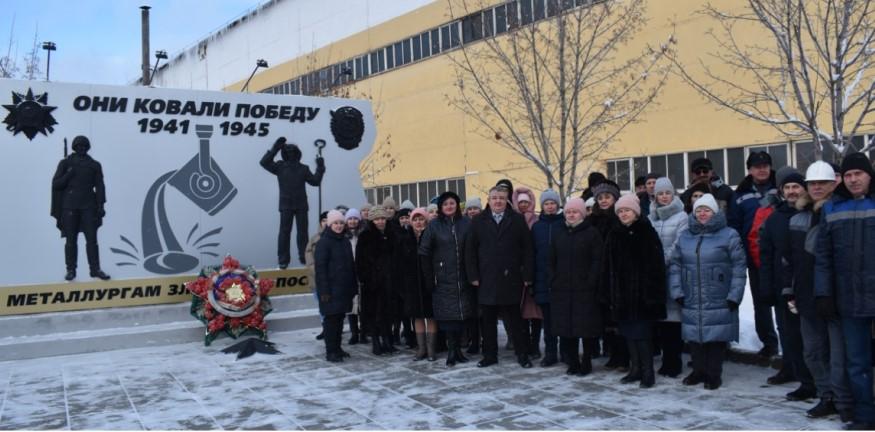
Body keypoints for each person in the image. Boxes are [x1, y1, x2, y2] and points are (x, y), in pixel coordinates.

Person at [784, 161, 852, 421]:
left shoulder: (839, 211)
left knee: (838, 355)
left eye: (822, 183)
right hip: (805, 296)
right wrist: (788, 290)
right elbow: (789, 259)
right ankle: (826, 395)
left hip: (835, 298)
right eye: (812, 183)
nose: (817, 188)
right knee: (812, 352)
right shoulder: (798, 217)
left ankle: (842, 398)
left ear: (834, 183)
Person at [815, 152, 875, 430]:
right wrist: (824, 294)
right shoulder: (832, 209)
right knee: (857, 363)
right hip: (849, 300)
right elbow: (823, 257)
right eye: (848, 175)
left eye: (858, 174)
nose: (853, 180)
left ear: (868, 176)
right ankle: (864, 416)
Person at [670, 194, 746, 390]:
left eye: (707, 210)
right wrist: (677, 290)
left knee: (715, 338)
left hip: (718, 294)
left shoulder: (729, 234)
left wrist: (734, 295)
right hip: (691, 294)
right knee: (694, 336)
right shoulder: (686, 235)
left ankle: (713, 374)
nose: (703, 214)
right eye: (699, 210)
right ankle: (698, 371)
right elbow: (675, 265)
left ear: (715, 212)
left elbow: (739, 267)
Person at [759, 168, 816, 398]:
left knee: (811, 338)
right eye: (787, 188)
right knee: (789, 335)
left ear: (804, 188)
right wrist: (766, 287)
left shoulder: (813, 213)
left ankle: (815, 381)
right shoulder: (774, 218)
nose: (792, 191)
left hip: (808, 285)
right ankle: (798, 375)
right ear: (782, 191)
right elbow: (766, 255)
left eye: (796, 187)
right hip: (783, 286)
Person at [466, 186, 534, 368]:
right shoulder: (478, 221)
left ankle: (522, 354)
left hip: (511, 278)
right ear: (489, 199)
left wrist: (527, 275)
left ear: (507, 201)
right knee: (487, 321)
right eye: (494, 198)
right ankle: (490, 355)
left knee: (515, 321)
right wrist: (473, 275)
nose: (498, 201)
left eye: (501, 198)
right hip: (486, 278)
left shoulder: (517, 220)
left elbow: (528, 249)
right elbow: (470, 251)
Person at [604, 194, 667, 388]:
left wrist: (653, 293)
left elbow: (657, 265)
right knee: (629, 333)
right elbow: (609, 265)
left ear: (636, 213)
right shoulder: (614, 234)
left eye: (627, 210)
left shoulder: (646, 231)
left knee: (643, 334)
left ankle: (648, 372)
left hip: (642, 294)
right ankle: (635, 369)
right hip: (622, 294)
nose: (623, 214)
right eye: (620, 211)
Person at [728, 151, 779, 359]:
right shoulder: (740, 195)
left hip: (782, 257)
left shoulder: (783, 188)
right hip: (755, 257)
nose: (762, 169)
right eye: (757, 166)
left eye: (765, 165)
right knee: (761, 303)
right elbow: (734, 226)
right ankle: (768, 342)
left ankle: (796, 347)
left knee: (789, 304)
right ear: (749, 170)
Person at [549, 197, 604, 376]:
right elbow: (551, 260)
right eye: (568, 212)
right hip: (563, 288)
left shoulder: (592, 233)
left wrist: (591, 280)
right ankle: (572, 361)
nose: (571, 215)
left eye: (575, 212)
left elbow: (598, 260)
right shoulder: (559, 233)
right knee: (567, 328)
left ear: (581, 213)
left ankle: (586, 361)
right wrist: (554, 279)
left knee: (585, 328)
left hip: (584, 289)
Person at [420, 192, 475, 366]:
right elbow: (424, 251)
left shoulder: (466, 223)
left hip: (463, 277)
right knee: (448, 316)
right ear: (440, 208)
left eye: (452, 203)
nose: (449, 206)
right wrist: (429, 277)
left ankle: (459, 349)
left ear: (457, 205)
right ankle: (452, 350)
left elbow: (474, 246)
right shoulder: (434, 226)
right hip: (442, 277)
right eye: (445, 204)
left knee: (461, 315)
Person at [51, 135, 111, 281]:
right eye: (79, 146)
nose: (81, 148)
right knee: (71, 240)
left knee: (92, 239)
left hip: (88, 205)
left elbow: (100, 186)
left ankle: (95, 269)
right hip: (70, 205)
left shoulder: (94, 165)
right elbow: (56, 184)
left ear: (87, 147)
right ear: (74, 147)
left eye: (84, 146)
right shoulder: (65, 163)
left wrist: (101, 205)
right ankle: (71, 269)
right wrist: (68, 174)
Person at [260, 137, 325, 268]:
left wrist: (320, 167)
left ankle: (304, 256)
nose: (290, 153)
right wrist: (275, 148)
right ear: (284, 153)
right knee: (284, 232)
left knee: (302, 233)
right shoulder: (279, 166)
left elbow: (315, 181)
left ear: (297, 153)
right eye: (288, 151)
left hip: (301, 204)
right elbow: (264, 162)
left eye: (293, 151)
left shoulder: (303, 168)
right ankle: (283, 260)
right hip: (286, 204)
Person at [648, 177, 687, 378]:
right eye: (660, 193)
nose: (664, 197)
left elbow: (679, 243)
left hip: (673, 271)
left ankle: (674, 361)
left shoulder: (682, 217)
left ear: (673, 194)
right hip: (655, 274)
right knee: (662, 318)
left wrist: (661, 259)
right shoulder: (651, 217)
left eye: (667, 193)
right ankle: (665, 360)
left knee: (674, 319)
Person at [588, 180, 628, 369]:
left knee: (618, 317)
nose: (604, 201)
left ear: (615, 198)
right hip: (599, 274)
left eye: (607, 197)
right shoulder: (592, 220)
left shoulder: (620, 217)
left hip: (618, 273)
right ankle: (611, 352)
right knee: (605, 317)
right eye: (600, 198)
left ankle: (623, 355)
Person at [356, 205, 401, 356]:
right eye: (377, 219)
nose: (380, 221)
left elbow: (396, 258)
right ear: (371, 220)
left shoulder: (392, 234)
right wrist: (366, 278)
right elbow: (360, 261)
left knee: (388, 313)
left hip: (390, 282)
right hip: (373, 284)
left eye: (382, 218)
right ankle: (376, 342)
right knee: (374, 314)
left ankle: (388, 341)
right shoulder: (365, 236)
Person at [314, 210, 357, 362]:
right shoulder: (323, 242)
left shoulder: (344, 241)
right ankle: (331, 351)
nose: (338, 226)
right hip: (330, 291)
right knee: (331, 322)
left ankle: (338, 348)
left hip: (343, 290)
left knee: (339, 320)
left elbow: (351, 266)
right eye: (335, 223)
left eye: (340, 223)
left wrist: (353, 287)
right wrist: (324, 291)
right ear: (329, 225)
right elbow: (320, 269)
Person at [532, 189, 564, 367]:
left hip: (563, 279)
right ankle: (550, 353)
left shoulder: (565, 222)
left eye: (552, 203)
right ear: (542, 206)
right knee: (548, 321)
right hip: (543, 278)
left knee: (564, 319)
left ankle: (567, 352)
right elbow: (532, 253)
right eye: (546, 204)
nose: (550, 206)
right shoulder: (537, 226)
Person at [399, 208, 435, 361]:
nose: (418, 222)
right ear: (411, 222)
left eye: (421, 219)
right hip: (412, 284)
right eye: (415, 219)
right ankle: (421, 349)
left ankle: (432, 349)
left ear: (426, 221)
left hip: (430, 282)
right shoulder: (405, 239)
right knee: (418, 317)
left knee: (431, 316)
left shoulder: (432, 236)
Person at [344, 208, 368, 345]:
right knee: (351, 306)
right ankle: (354, 333)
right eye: (350, 219)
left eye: (355, 218)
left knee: (363, 305)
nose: (352, 221)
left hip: (362, 272)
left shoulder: (364, 234)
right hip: (349, 274)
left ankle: (364, 332)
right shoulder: (343, 235)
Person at [305, 211, 330, 340]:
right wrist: (318, 272)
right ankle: (325, 329)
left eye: (328, 220)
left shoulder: (338, 236)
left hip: (332, 279)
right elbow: (309, 258)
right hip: (317, 280)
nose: (326, 222)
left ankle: (333, 329)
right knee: (321, 306)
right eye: (323, 220)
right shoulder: (314, 239)